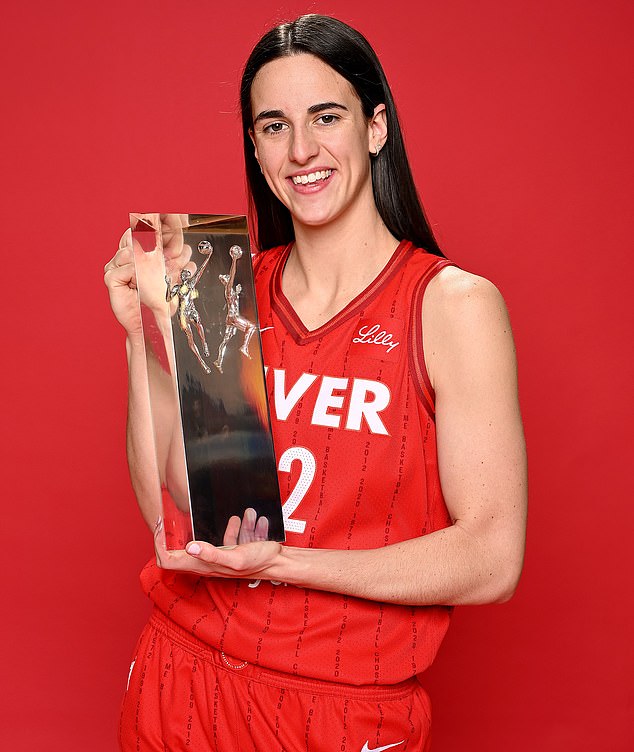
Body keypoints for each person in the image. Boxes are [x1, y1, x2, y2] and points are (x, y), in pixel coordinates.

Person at [104, 14, 527, 752]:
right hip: (182, 676)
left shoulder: (453, 305)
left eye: (325, 117)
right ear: (255, 144)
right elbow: (174, 507)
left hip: (337, 707)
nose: (301, 150)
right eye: (273, 126)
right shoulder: (220, 283)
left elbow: (492, 557)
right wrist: (143, 338)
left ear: (375, 126)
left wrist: (282, 563)